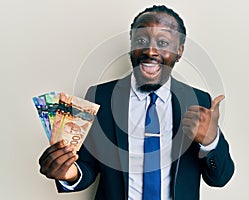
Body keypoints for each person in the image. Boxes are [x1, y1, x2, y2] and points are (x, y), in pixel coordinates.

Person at [39, 5, 234, 200]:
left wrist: (210, 142)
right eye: (141, 40)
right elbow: (87, 166)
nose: (150, 50)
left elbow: (220, 178)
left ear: (179, 51)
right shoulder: (100, 96)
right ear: (132, 45)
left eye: (163, 42)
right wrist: (68, 172)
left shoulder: (198, 101)